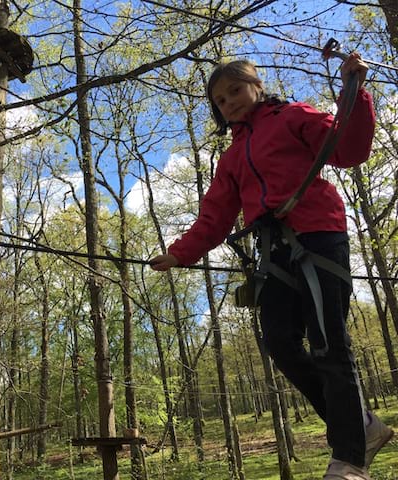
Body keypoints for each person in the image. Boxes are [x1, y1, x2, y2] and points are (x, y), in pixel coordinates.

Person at [150, 54, 393, 479]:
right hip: (275, 253)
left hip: (318, 236)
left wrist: (355, 94)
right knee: (280, 343)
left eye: (235, 91)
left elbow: (348, 149)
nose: (230, 103)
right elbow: (214, 217)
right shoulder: (231, 160)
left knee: (327, 344)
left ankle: (350, 457)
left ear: (257, 87)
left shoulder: (293, 116)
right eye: (221, 100)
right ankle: (364, 425)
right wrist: (178, 253)